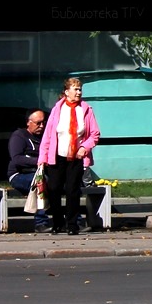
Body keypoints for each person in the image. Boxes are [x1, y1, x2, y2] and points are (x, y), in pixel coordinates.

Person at [38, 77, 100, 236]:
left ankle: (72, 225)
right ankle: (57, 223)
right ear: (66, 92)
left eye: (80, 90)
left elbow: (94, 134)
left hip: (76, 157)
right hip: (57, 156)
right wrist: (42, 159)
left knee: (73, 191)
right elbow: (48, 136)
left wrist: (84, 147)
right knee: (53, 189)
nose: (79, 92)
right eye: (75, 89)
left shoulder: (86, 109)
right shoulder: (57, 109)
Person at [7, 109, 49, 231]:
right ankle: (41, 223)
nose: (41, 126)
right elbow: (16, 159)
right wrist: (38, 161)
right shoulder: (19, 136)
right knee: (41, 182)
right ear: (28, 122)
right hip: (19, 175)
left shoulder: (45, 137)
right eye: (38, 123)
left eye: (43, 123)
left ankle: (72, 222)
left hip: (41, 173)